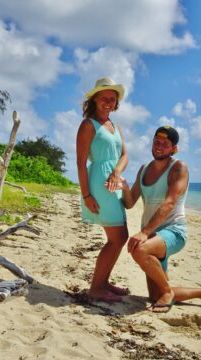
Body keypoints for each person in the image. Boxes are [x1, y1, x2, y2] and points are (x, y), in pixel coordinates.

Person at [119, 125, 201, 313]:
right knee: (156, 295)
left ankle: (167, 292)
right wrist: (123, 188)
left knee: (138, 250)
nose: (159, 146)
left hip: (173, 232)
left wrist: (144, 232)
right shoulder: (144, 169)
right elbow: (130, 203)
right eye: (156, 142)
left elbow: (170, 203)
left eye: (165, 144)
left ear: (174, 149)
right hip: (153, 236)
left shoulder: (179, 168)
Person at [76, 77, 129, 303]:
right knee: (118, 237)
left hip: (114, 182)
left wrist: (117, 171)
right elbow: (80, 162)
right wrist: (87, 195)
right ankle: (96, 288)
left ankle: (103, 282)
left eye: (112, 98)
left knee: (120, 235)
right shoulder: (88, 125)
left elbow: (124, 155)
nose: (109, 101)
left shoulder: (115, 127)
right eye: (104, 97)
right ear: (95, 99)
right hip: (99, 183)